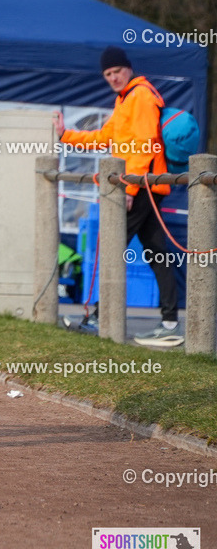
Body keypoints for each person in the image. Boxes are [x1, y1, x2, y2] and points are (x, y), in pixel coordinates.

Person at [52, 45, 182, 347]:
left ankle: (100, 317)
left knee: (114, 248)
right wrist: (65, 135)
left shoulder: (141, 96)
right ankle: (169, 322)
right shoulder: (124, 99)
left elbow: (145, 145)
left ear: (128, 68)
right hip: (142, 186)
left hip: (141, 186)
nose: (112, 78)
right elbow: (104, 138)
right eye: (107, 74)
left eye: (116, 71)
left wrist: (129, 188)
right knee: (155, 250)